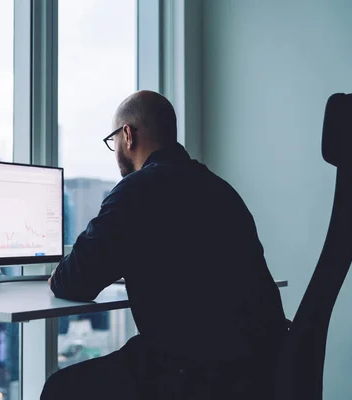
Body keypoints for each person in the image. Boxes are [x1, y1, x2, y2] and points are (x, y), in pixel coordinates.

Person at [42, 91, 287, 400]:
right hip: (261, 368)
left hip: (194, 373)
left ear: (127, 135)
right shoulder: (221, 189)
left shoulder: (135, 191)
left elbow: (73, 283)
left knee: (60, 389)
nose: (114, 149)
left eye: (112, 140)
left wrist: (58, 275)